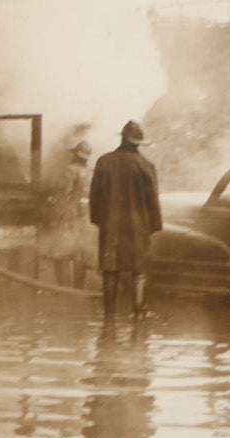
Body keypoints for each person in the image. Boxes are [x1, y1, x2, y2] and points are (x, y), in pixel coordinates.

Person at [89, 120, 164, 318]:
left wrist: (98, 220)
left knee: (110, 268)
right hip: (138, 226)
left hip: (110, 225)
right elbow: (153, 200)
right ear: (138, 143)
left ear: (122, 138)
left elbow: (94, 197)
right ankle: (139, 315)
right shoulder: (146, 165)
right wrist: (154, 226)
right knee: (139, 270)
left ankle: (109, 317)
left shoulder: (104, 162)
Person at [37, 141, 96, 288]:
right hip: (85, 217)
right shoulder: (90, 172)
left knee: (61, 251)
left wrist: (52, 218)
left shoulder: (70, 170)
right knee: (80, 252)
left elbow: (62, 196)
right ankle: (79, 288)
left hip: (68, 216)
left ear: (75, 155)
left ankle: (64, 288)